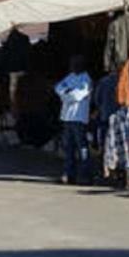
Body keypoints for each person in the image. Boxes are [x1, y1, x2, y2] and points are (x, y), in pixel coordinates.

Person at [55, 56, 92, 184]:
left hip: (79, 118)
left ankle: (85, 175)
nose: (73, 66)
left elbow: (76, 96)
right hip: (66, 117)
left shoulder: (86, 80)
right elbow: (57, 88)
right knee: (68, 148)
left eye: (75, 64)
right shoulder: (70, 76)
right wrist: (67, 93)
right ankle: (68, 174)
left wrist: (65, 95)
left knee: (82, 148)